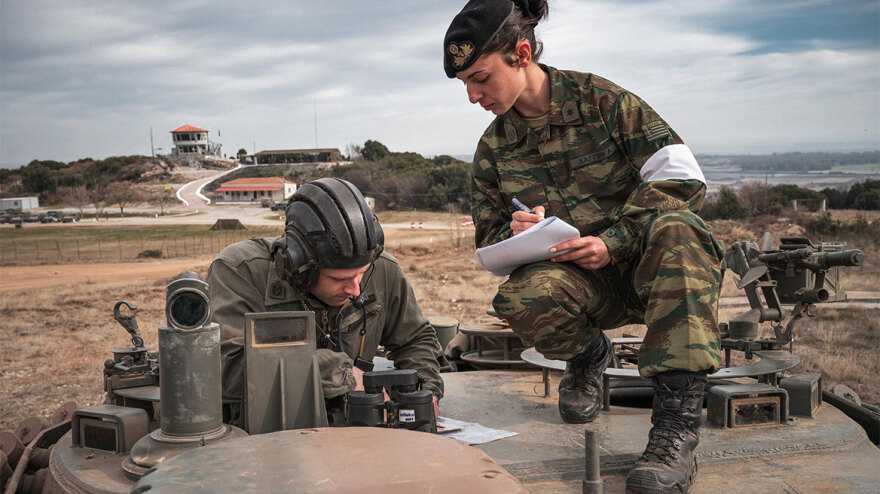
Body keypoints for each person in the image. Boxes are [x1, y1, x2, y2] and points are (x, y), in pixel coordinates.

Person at [443, 1, 724, 493]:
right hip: (582, 287)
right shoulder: (493, 149)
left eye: (481, 78)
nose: (472, 95)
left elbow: (682, 180)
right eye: (464, 83)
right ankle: (588, 357)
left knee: (680, 231)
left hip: (653, 272)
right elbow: (487, 244)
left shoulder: (603, 102)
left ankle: (674, 432)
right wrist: (517, 235)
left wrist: (614, 242)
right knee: (520, 297)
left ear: (521, 54)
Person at [207, 178, 443, 425]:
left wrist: (425, 392)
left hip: (358, 436)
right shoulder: (240, 272)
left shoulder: (384, 270)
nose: (354, 289)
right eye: (338, 278)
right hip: (269, 438)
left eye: (361, 274)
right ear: (298, 265)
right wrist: (340, 373)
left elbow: (416, 338)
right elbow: (226, 367)